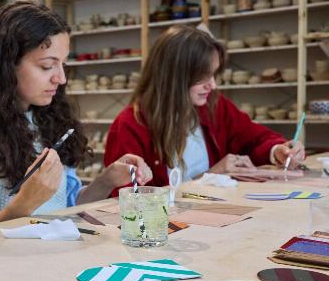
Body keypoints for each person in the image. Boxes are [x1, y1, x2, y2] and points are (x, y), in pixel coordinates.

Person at [0, 0, 151, 231]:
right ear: (7, 64)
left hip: (54, 255)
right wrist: (25, 202)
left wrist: (106, 180)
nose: (61, 78)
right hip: (3, 264)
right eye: (47, 66)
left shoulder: (48, 116)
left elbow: (67, 206)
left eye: (63, 65)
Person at [104, 25, 305, 188]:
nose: (213, 85)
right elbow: (128, 204)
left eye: (214, 74)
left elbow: (255, 138)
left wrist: (278, 150)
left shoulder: (214, 106)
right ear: (174, 77)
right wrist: (210, 175)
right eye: (203, 77)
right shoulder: (131, 124)